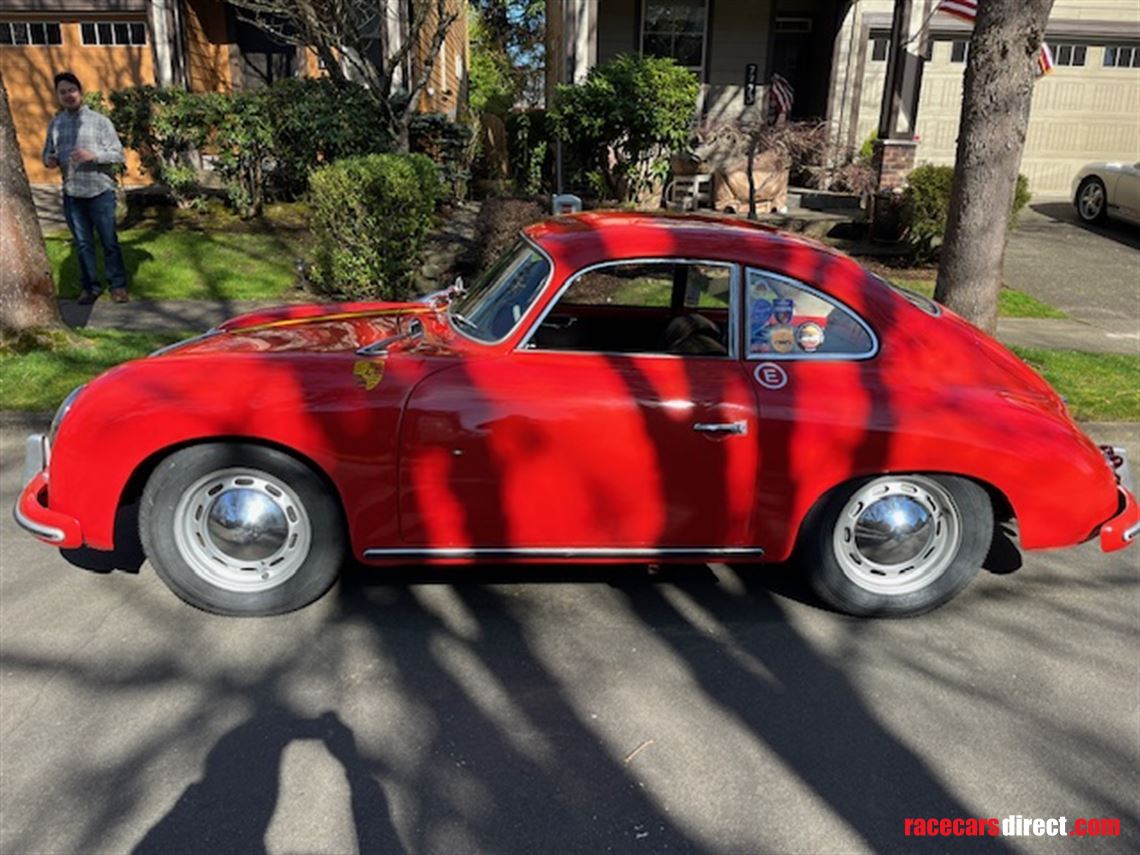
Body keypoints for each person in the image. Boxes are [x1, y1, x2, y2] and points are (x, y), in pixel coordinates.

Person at [42, 71, 129, 304]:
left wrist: (94, 156)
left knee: (109, 241)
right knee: (82, 244)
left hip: (100, 191)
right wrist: (49, 160)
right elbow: (47, 153)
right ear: (58, 96)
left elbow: (118, 154)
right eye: (63, 92)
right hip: (72, 193)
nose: (68, 95)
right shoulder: (56, 124)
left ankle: (118, 286)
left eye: (72, 90)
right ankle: (90, 287)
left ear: (80, 92)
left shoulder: (101, 122)